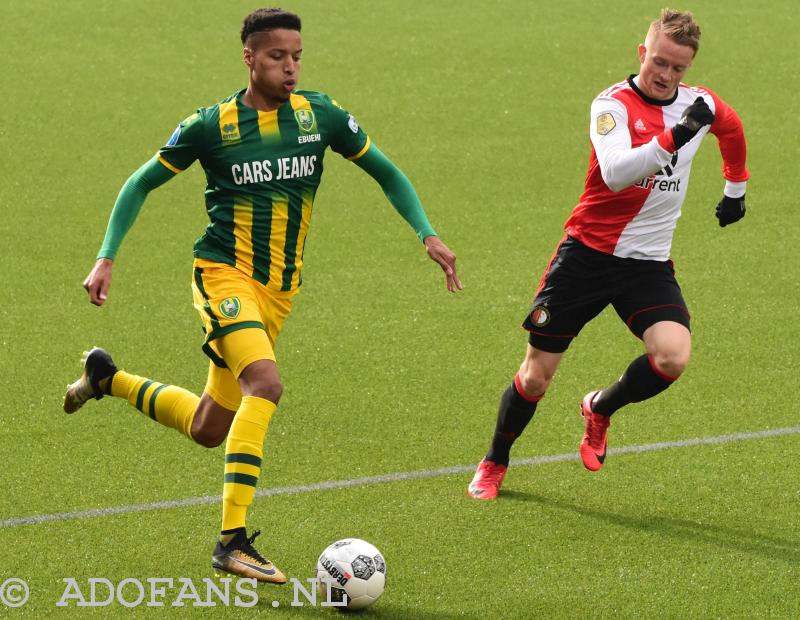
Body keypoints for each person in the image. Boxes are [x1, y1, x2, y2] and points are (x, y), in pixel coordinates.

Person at [64, 7, 462, 581]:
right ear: (249, 58)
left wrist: (427, 233)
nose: (291, 68)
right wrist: (106, 256)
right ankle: (231, 541)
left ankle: (107, 379)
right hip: (223, 276)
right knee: (265, 384)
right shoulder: (211, 125)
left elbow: (388, 172)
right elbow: (140, 182)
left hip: (278, 293)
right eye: (278, 57)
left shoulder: (320, 116)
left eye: (297, 56)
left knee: (209, 428)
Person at [467, 8, 748, 500]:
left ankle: (599, 408)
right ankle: (495, 461)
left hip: (647, 264)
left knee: (672, 357)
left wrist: (735, 188)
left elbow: (732, 127)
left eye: (678, 68)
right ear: (643, 53)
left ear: (689, 68)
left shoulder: (699, 103)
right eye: (659, 62)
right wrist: (676, 136)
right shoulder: (611, 105)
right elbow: (617, 171)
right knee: (536, 377)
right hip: (586, 259)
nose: (666, 75)